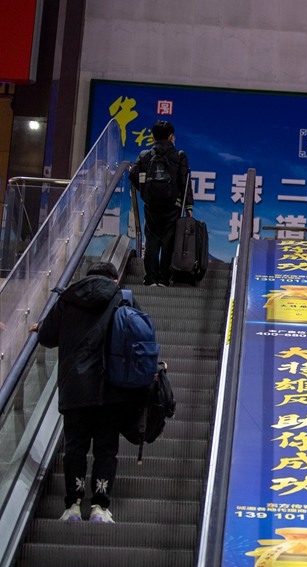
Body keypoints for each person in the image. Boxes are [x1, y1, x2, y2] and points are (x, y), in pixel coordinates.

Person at [30, 262, 144, 523]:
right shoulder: (123, 298)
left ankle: (72, 506)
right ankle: (100, 508)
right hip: (111, 390)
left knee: (75, 449)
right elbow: (138, 339)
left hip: (74, 389)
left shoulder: (67, 299)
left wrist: (41, 327)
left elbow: (47, 337)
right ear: (115, 280)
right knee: (105, 449)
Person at [129, 120, 193, 287]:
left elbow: (133, 174)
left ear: (153, 137)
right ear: (171, 136)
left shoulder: (145, 155)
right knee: (168, 241)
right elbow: (185, 181)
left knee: (151, 240)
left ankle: (150, 278)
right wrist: (189, 206)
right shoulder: (179, 155)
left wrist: (145, 191)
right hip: (173, 205)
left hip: (151, 205)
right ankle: (164, 279)